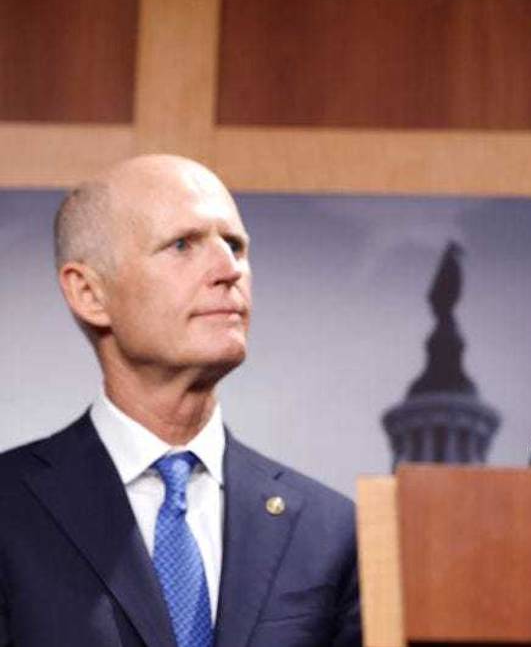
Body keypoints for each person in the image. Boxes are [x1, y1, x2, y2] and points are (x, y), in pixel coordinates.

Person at [0, 155, 361, 646]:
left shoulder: (329, 531)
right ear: (90, 293)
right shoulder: (11, 509)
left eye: (235, 245)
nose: (228, 269)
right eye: (183, 245)